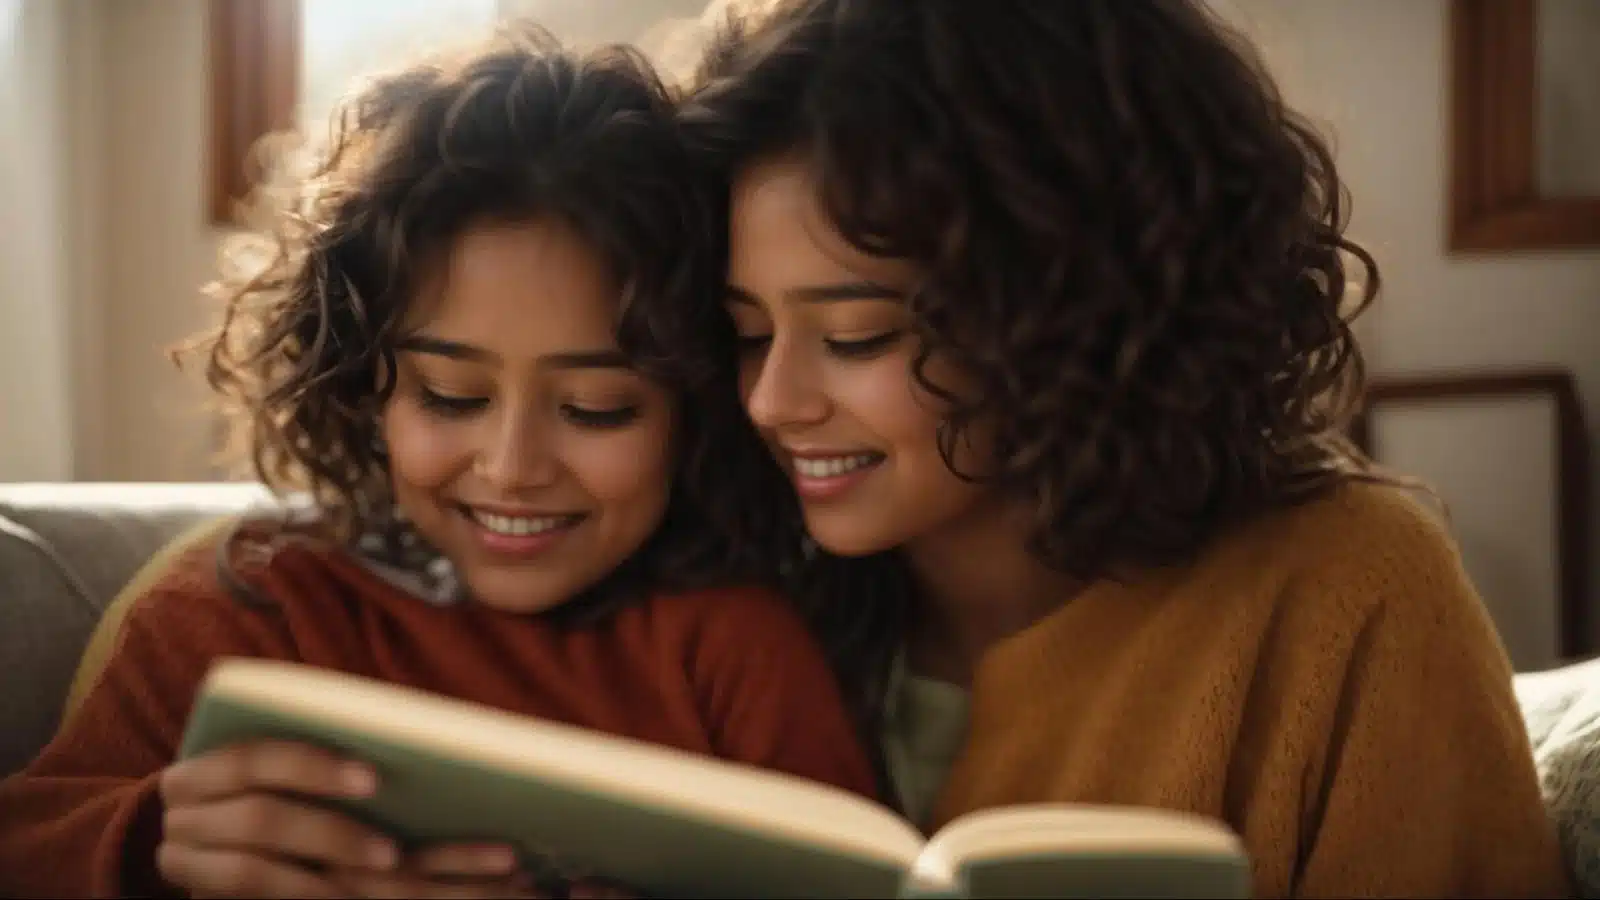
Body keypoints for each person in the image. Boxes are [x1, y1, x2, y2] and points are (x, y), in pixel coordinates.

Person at [662, 0, 1575, 896]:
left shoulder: (1349, 596)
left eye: (856, 335)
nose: (772, 401)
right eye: (745, 333)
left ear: (1075, 305)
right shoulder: (734, 609)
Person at [0, 24, 878, 900]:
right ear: (363, 385)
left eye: (597, 409)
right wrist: (154, 842)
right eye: (453, 396)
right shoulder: (254, 611)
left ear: (697, 413)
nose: (512, 467)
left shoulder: (733, 649)